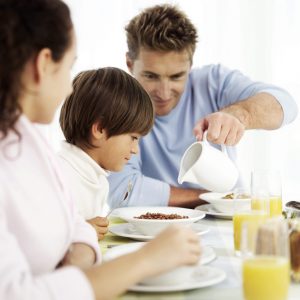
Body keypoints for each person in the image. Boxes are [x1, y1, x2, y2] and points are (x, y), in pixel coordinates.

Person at [0, 1, 201, 299]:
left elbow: (72, 223)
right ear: (43, 64)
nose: (70, 88)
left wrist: (79, 252)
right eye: (69, 67)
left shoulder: (28, 140)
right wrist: (145, 260)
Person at [108, 4, 298, 209]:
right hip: (154, 234)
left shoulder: (213, 82)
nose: (163, 92)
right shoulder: (116, 107)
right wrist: (217, 198)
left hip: (225, 227)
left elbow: (286, 105)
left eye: (176, 76)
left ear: (190, 66)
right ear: (129, 63)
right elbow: (123, 193)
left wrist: (238, 116)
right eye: (151, 76)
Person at [58, 67, 154, 240]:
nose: (135, 149)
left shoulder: (98, 179)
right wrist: (80, 232)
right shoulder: (59, 176)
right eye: (133, 137)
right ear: (100, 129)